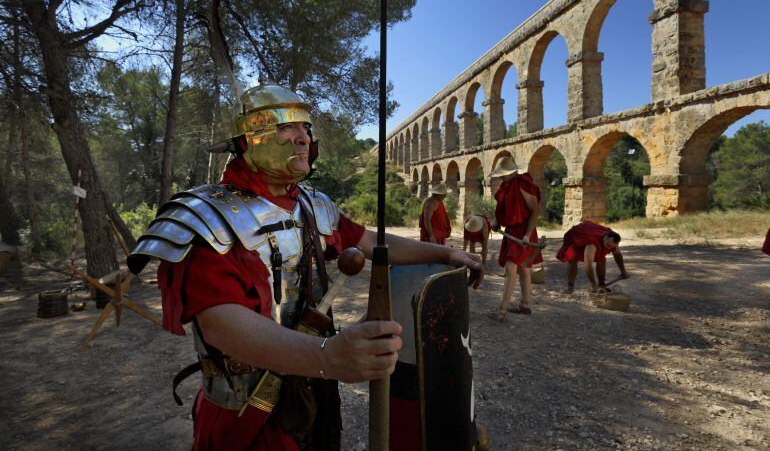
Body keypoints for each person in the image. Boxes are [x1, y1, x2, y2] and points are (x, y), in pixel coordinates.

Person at [127, 81, 483, 451]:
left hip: (312, 389)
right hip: (246, 410)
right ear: (251, 138)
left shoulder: (313, 204)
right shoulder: (206, 216)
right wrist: (329, 356)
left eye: (305, 128)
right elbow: (219, 323)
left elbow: (372, 243)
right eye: (286, 126)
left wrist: (443, 254)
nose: (303, 137)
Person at [487, 157, 542, 321]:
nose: (501, 177)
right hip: (512, 231)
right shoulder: (506, 186)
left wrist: (527, 234)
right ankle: (525, 305)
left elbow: (535, 211)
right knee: (523, 268)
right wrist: (497, 222)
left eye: (503, 174)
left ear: (513, 172)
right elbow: (505, 210)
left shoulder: (523, 185)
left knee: (511, 269)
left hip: (524, 232)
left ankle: (502, 311)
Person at [555, 221, 629, 293]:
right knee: (573, 259)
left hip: (592, 233)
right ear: (605, 238)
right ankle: (570, 286)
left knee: (601, 259)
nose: (609, 249)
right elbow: (588, 265)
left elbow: (617, 254)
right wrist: (594, 285)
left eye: (611, 247)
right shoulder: (592, 243)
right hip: (576, 237)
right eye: (608, 246)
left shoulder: (612, 238)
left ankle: (601, 284)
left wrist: (623, 271)